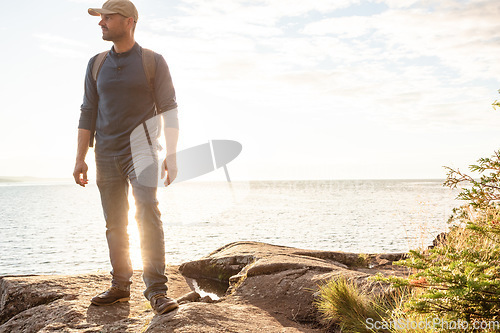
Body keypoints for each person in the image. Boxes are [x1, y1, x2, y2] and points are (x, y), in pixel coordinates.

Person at [72, 0, 180, 315]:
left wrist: (171, 155)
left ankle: (157, 292)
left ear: (129, 21)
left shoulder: (153, 62)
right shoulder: (96, 63)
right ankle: (120, 287)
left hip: (143, 151)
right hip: (105, 152)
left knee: (147, 212)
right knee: (114, 223)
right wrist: (80, 157)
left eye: (107, 17)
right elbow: (87, 111)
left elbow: (169, 109)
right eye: (100, 17)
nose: (101, 23)